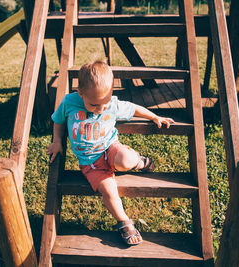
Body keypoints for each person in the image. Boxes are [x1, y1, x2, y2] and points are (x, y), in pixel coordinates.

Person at [47, 60, 174, 245]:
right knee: (109, 192)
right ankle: (124, 222)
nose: (100, 109)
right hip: (91, 163)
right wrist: (57, 141)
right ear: (80, 93)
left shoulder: (112, 104)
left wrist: (154, 116)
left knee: (125, 159)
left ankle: (140, 162)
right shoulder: (69, 102)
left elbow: (134, 108)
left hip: (110, 149)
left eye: (104, 104)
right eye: (93, 105)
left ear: (110, 94)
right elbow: (58, 121)